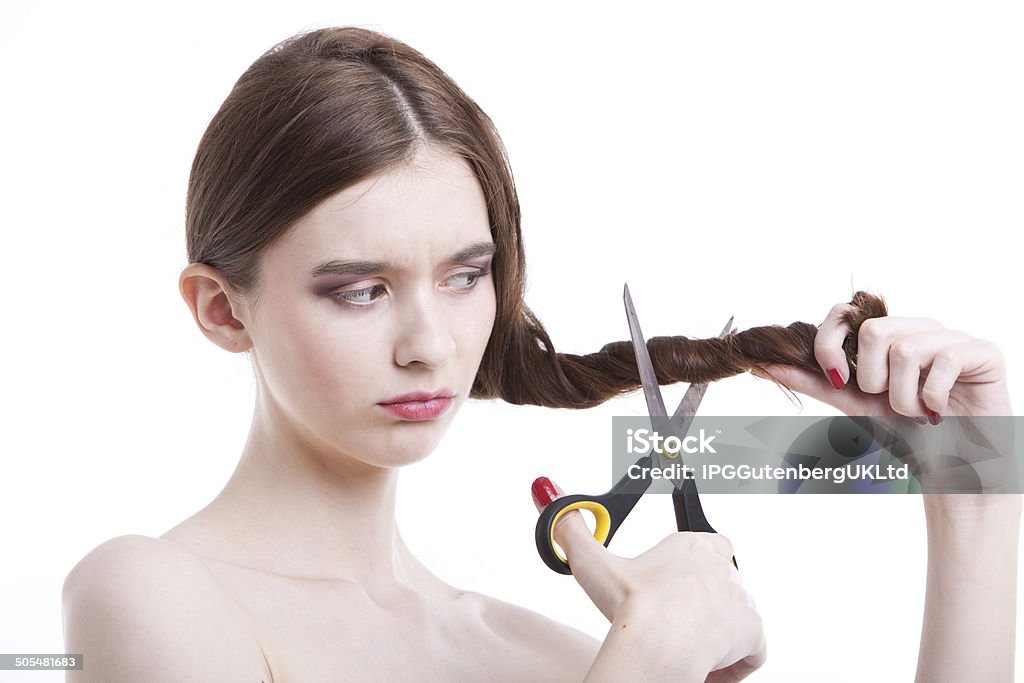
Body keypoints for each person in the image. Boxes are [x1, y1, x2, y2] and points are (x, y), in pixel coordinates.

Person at [60, 26, 1019, 681]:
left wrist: (971, 486)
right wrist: (645, 661)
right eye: (360, 288)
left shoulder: (545, 650)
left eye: (466, 275)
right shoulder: (148, 595)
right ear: (222, 310)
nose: (430, 345)